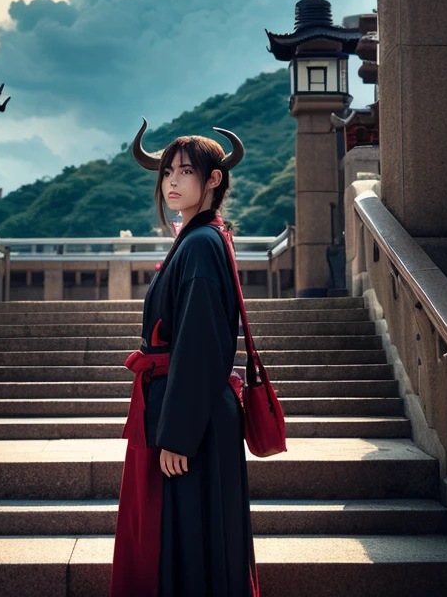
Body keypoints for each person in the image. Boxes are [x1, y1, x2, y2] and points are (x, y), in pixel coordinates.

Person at [110, 121, 259, 597]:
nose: (171, 182)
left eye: (186, 171)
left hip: (189, 421)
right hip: (190, 413)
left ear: (213, 180)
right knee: (194, 539)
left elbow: (200, 344)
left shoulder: (199, 243)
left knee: (189, 543)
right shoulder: (202, 239)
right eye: (167, 172)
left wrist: (178, 435)